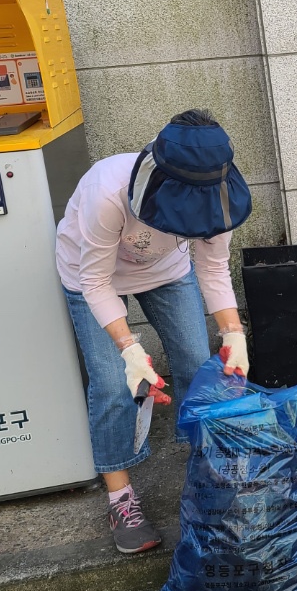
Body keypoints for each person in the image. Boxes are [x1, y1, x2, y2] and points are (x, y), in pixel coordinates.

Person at [56, 110, 252, 554]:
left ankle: (208, 477)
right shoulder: (108, 191)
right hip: (90, 276)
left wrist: (233, 333)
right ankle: (121, 498)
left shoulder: (217, 194)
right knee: (111, 382)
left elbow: (213, 268)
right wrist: (129, 347)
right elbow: (96, 283)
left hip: (166, 271)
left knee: (195, 363)